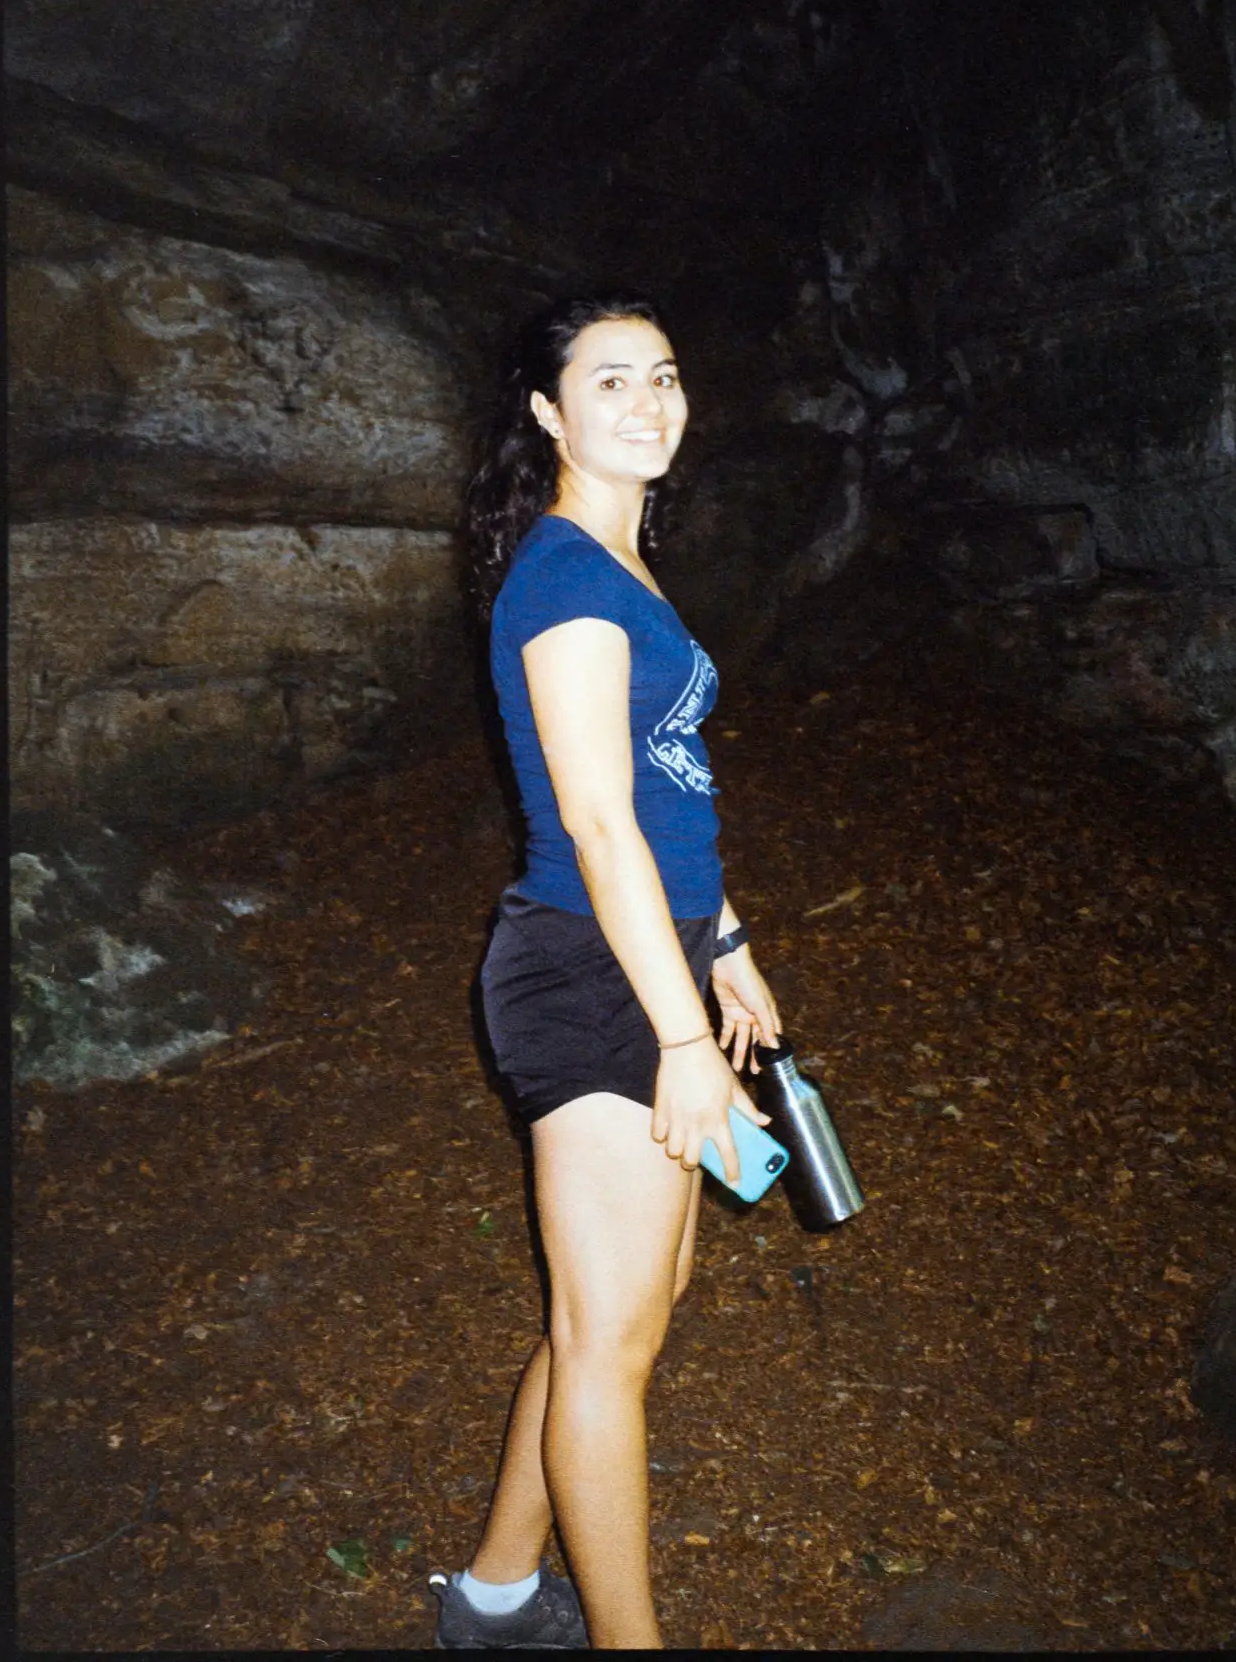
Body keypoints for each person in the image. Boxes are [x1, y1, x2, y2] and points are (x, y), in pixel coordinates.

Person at [428, 294, 784, 1650]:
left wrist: (728, 941)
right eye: (610, 379)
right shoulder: (566, 576)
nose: (648, 401)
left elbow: (661, 790)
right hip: (588, 978)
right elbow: (590, 818)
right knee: (607, 1337)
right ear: (545, 412)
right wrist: (682, 1040)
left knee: (620, 1319)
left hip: (651, 954)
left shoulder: (621, 568)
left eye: (666, 376)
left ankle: (497, 1593)